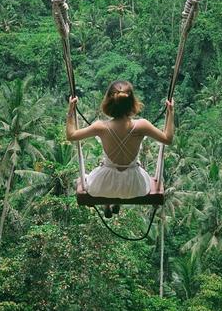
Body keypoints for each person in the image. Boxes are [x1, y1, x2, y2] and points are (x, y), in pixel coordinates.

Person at [66, 80, 174, 217]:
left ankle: (108, 202)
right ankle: (117, 202)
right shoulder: (142, 125)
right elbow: (167, 139)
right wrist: (171, 112)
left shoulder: (100, 126)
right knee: (124, 179)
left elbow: (71, 135)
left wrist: (70, 111)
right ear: (132, 102)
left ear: (108, 102)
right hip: (135, 186)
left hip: (103, 185)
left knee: (85, 179)